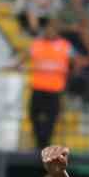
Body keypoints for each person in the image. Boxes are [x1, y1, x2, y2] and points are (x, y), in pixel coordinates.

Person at [27, 19, 72, 147]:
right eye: (47, 29)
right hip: (38, 87)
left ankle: (44, 143)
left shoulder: (65, 46)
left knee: (51, 118)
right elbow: (26, 56)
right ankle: (39, 140)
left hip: (55, 89)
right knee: (33, 115)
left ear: (57, 31)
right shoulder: (37, 44)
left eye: (52, 29)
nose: (49, 32)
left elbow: (74, 62)